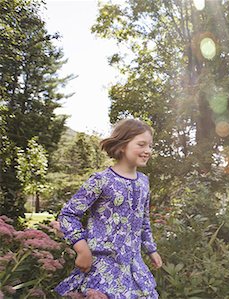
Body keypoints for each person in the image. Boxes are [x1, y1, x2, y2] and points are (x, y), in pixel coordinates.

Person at [55, 119, 162, 298]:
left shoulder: (144, 182)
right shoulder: (101, 180)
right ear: (122, 146)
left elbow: (143, 221)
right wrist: (82, 250)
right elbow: (68, 215)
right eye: (141, 144)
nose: (148, 151)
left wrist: (151, 250)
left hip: (134, 266)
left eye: (150, 146)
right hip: (103, 267)